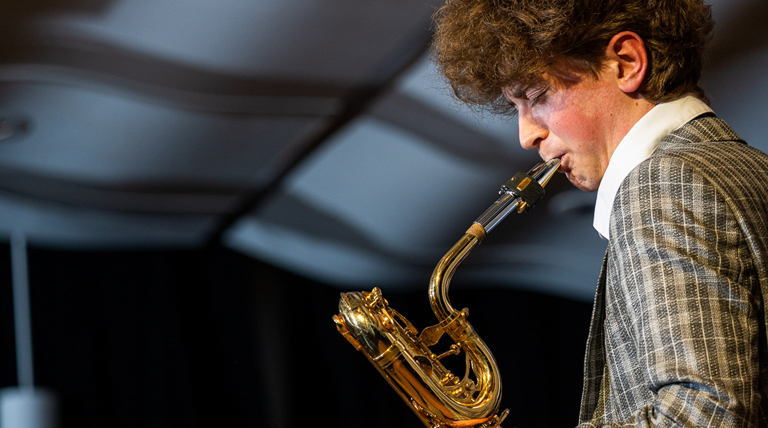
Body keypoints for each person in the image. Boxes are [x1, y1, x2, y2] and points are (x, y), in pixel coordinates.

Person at [432, 0, 768, 426]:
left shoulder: (660, 184)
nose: (526, 135)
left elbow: (704, 412)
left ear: (626, 62)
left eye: (536, 96)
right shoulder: (753, 168)